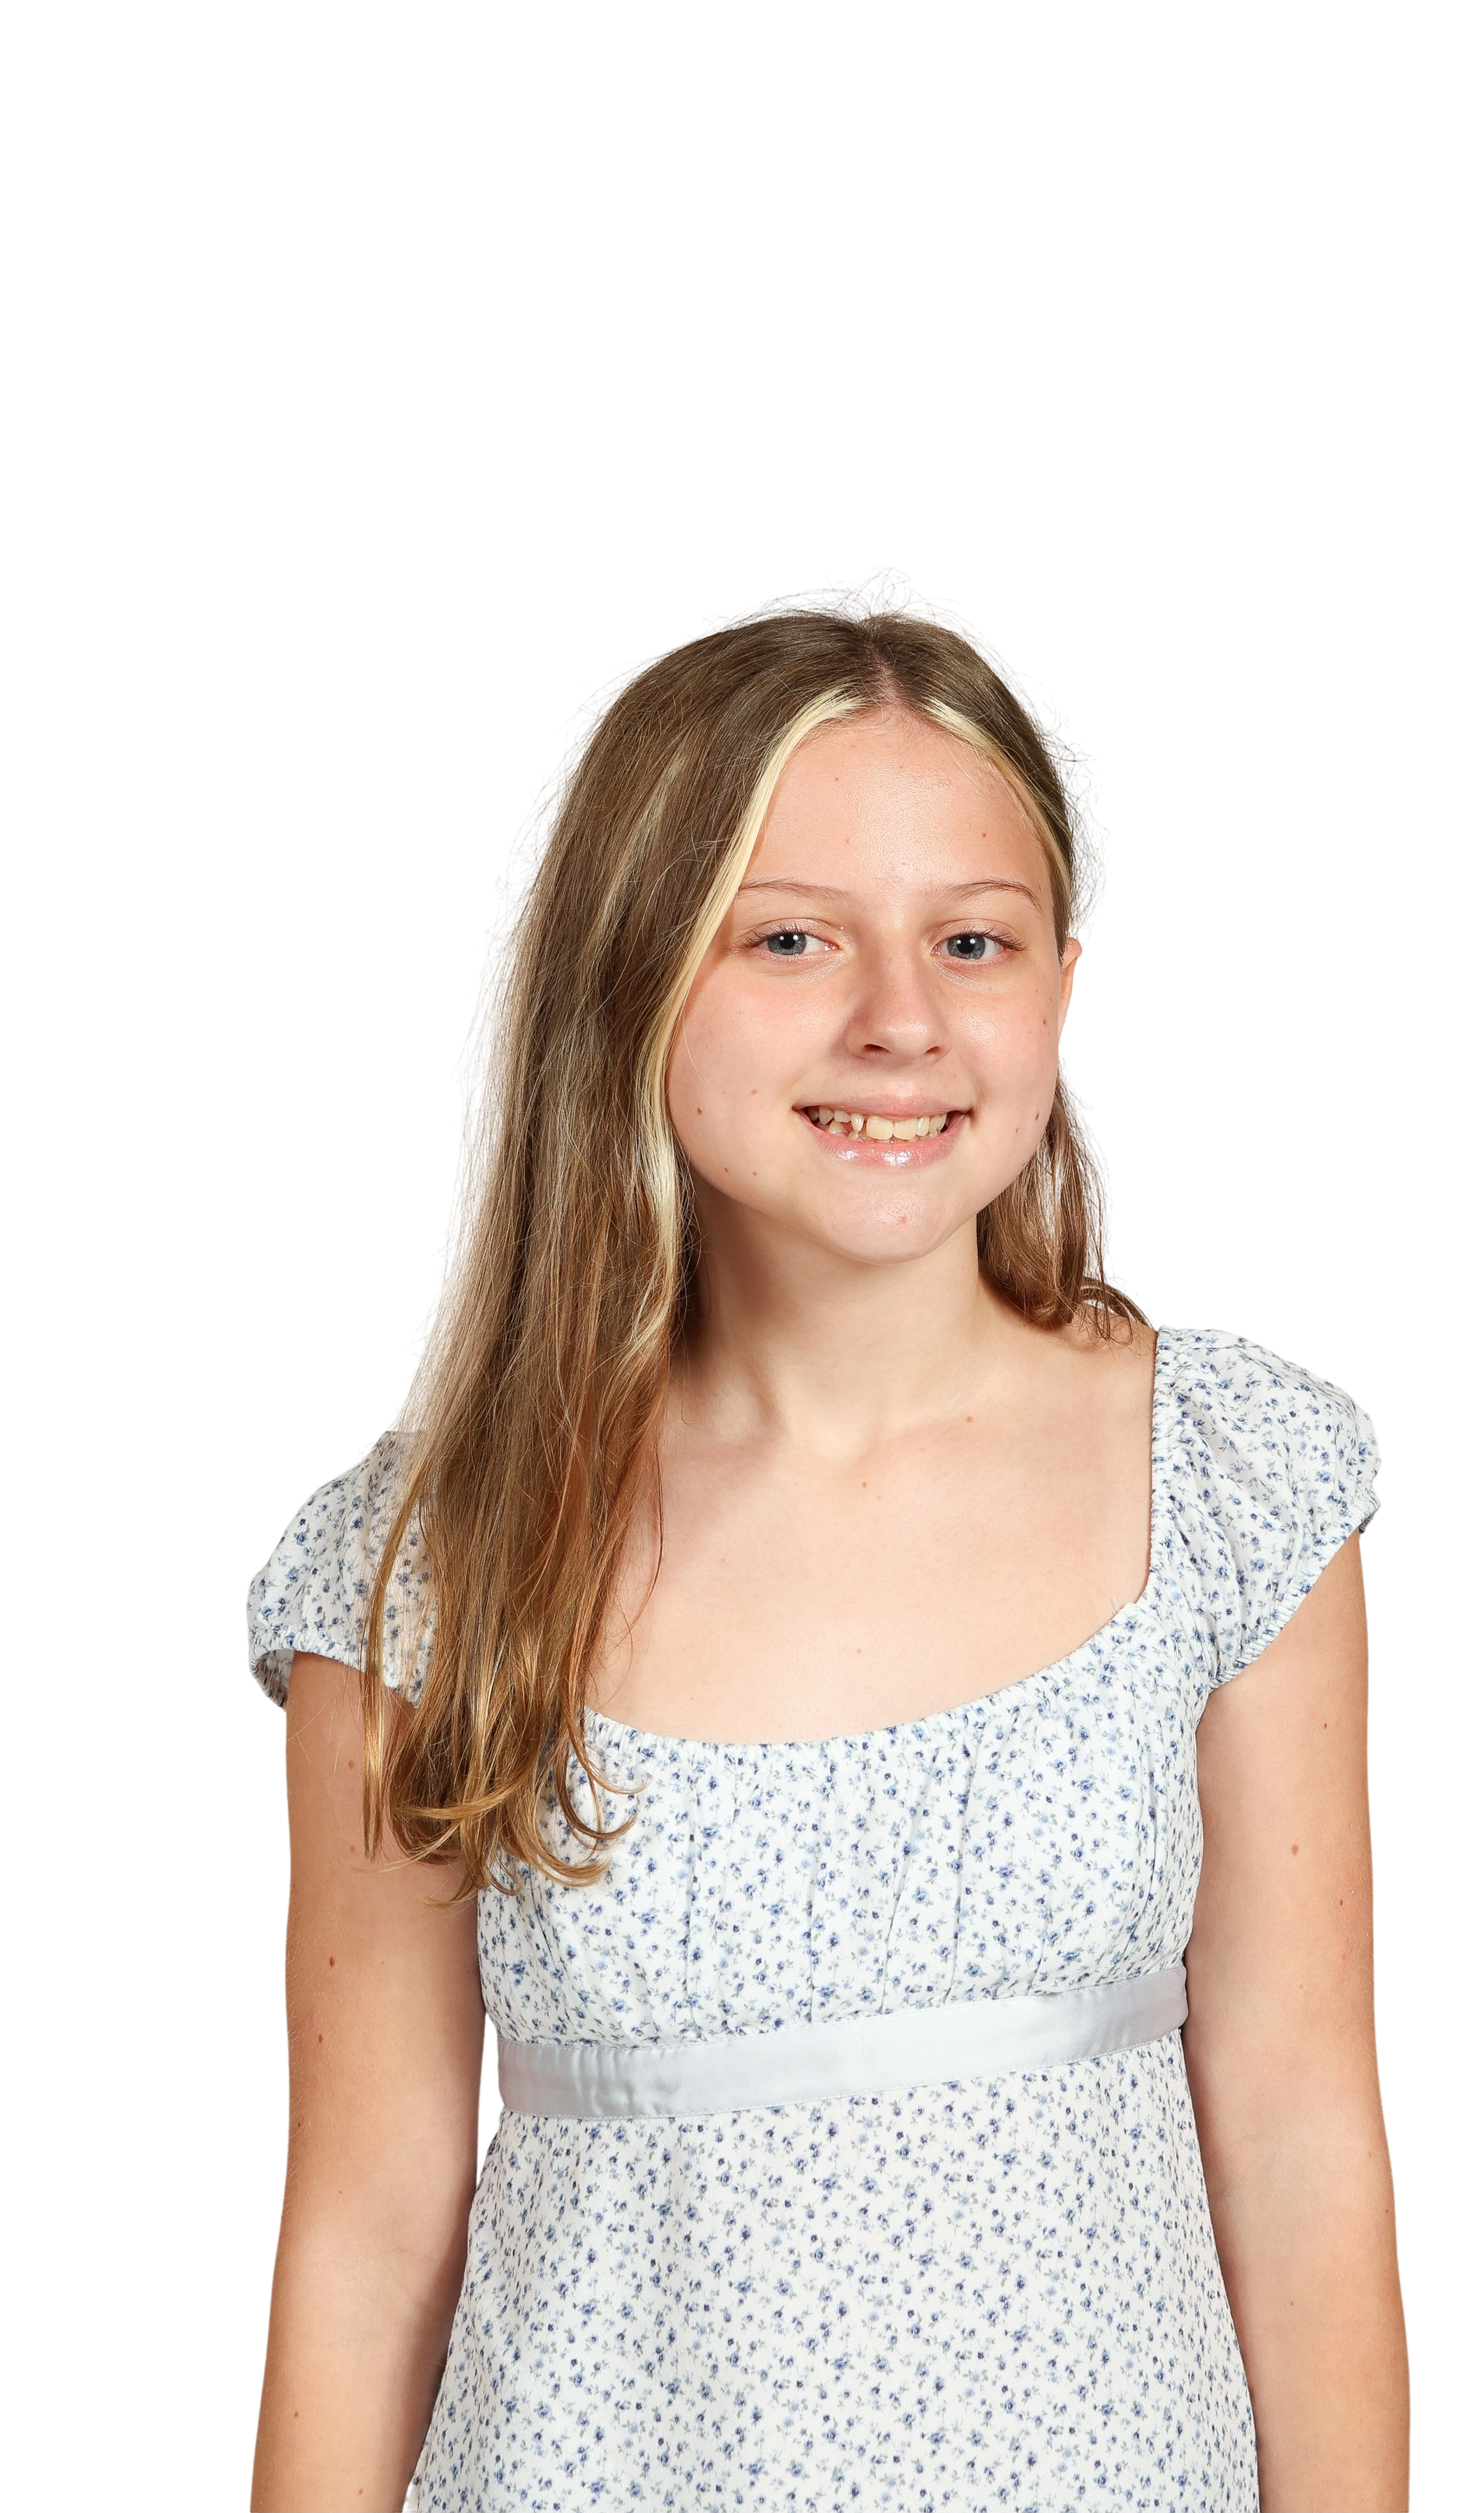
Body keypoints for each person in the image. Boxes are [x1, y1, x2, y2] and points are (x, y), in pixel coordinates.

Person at [244, 566, 1411, 2512]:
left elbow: (1299, 2132)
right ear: (630, 975)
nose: (900, 1022)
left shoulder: (1228, 1480)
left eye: (974, 939)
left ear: (1062, 983)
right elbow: (367, 2227)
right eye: (790, 937)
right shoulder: (428, 1564)